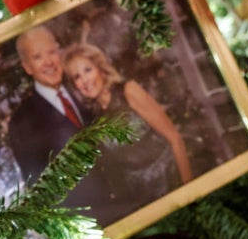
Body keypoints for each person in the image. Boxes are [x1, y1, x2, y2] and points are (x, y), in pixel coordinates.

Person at [6, 26, 121, 222]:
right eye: (38, 57)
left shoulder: (84, 85)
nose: (49, 62)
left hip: (126, 198)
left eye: (52, 52)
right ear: (27, 67)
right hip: (89, 223)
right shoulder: (22, 122)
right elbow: (39, 189)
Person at [62, 42, 193, 206]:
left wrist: (190, 190)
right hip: (143, 200)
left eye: (87, 70)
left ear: (101, 69)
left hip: (172, 183)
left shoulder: (128, 91)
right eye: (77, 77)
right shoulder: (93, 118)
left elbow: (175, 138)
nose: (84, 80)